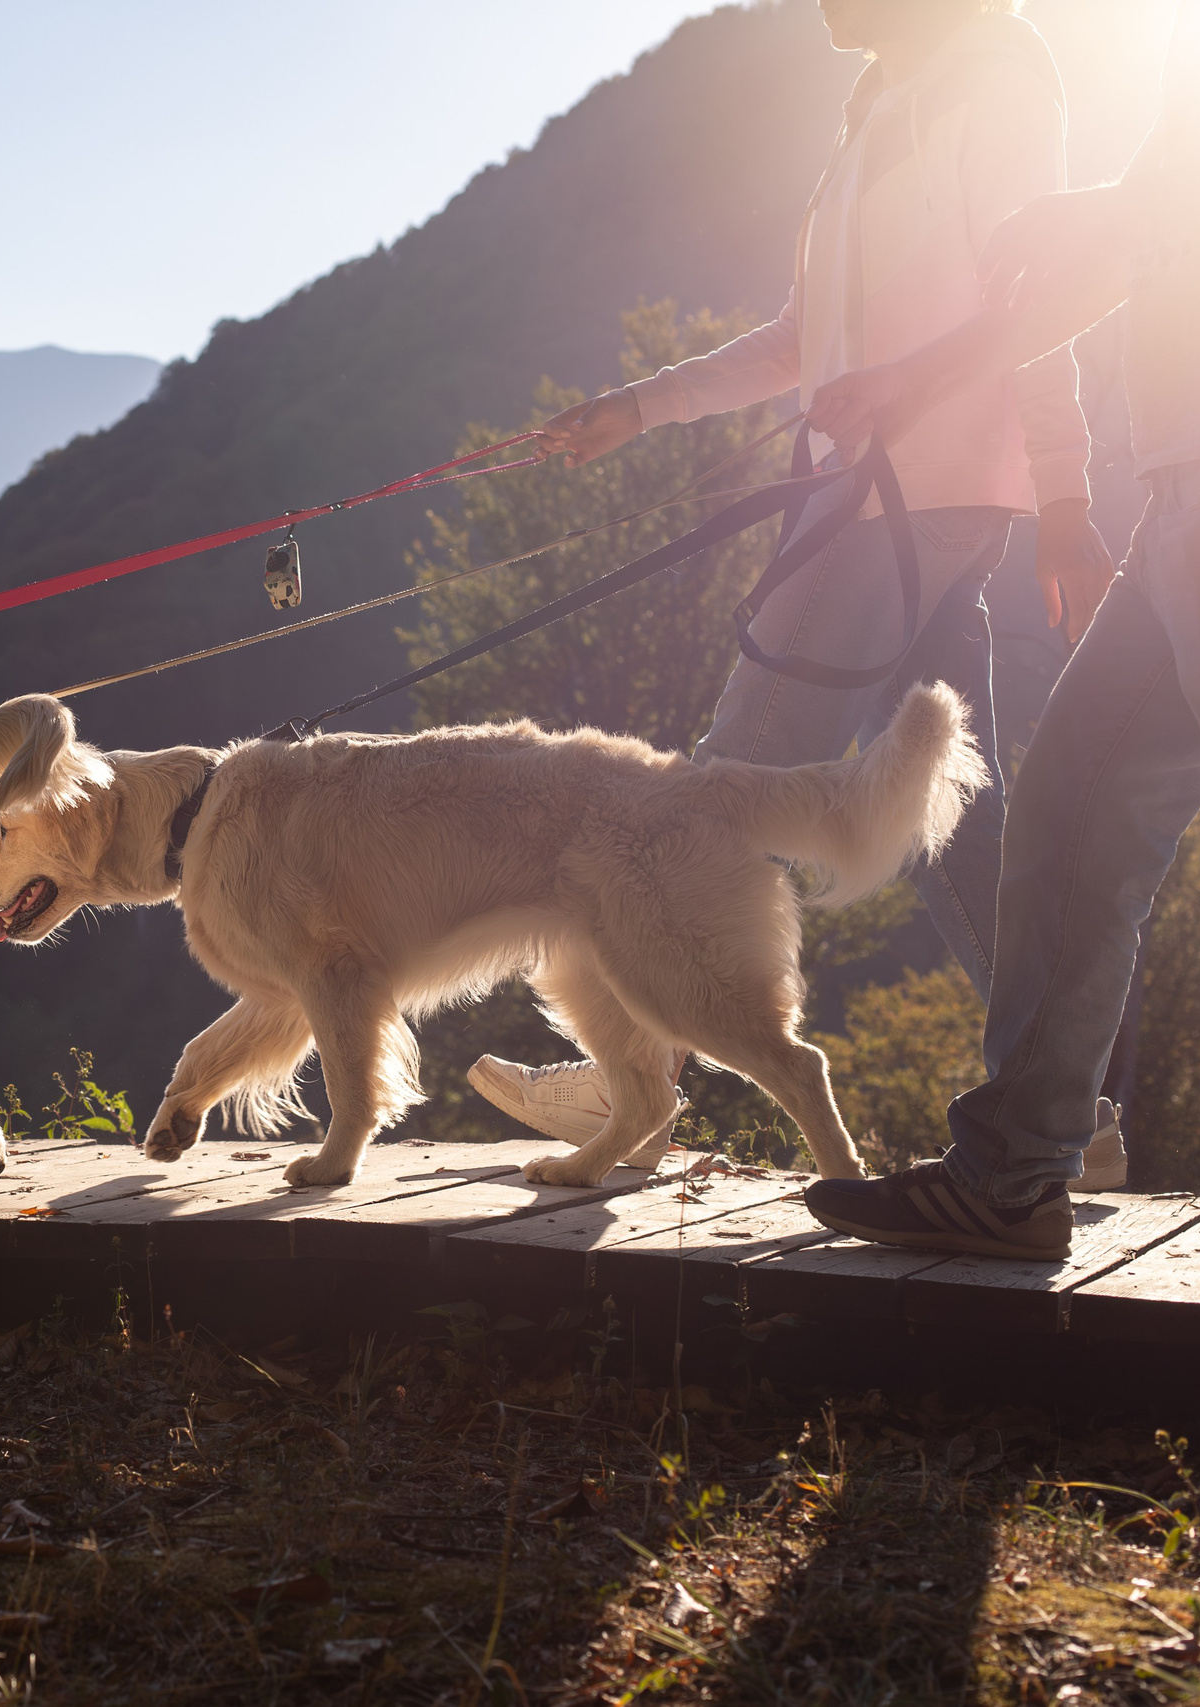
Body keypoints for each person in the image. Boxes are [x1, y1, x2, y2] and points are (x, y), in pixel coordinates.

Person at [466, 0, 1118, 1171]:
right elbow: (797, 337)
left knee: (710, 795)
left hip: (898, 505)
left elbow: (1045, 302)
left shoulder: (997, 87)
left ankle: (634, 1089)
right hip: (882, 499)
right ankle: (1064, 1113)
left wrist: (1068, 502)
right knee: (957, 818)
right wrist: (637, 408)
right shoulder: (879, 115)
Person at [800, 0, 1200, 1258]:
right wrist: (910, 381)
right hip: (1191, 490)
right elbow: (1134, 247)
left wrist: (1095, 211)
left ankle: (1009, 1167)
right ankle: (1010, 1174)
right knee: (1074, 818)